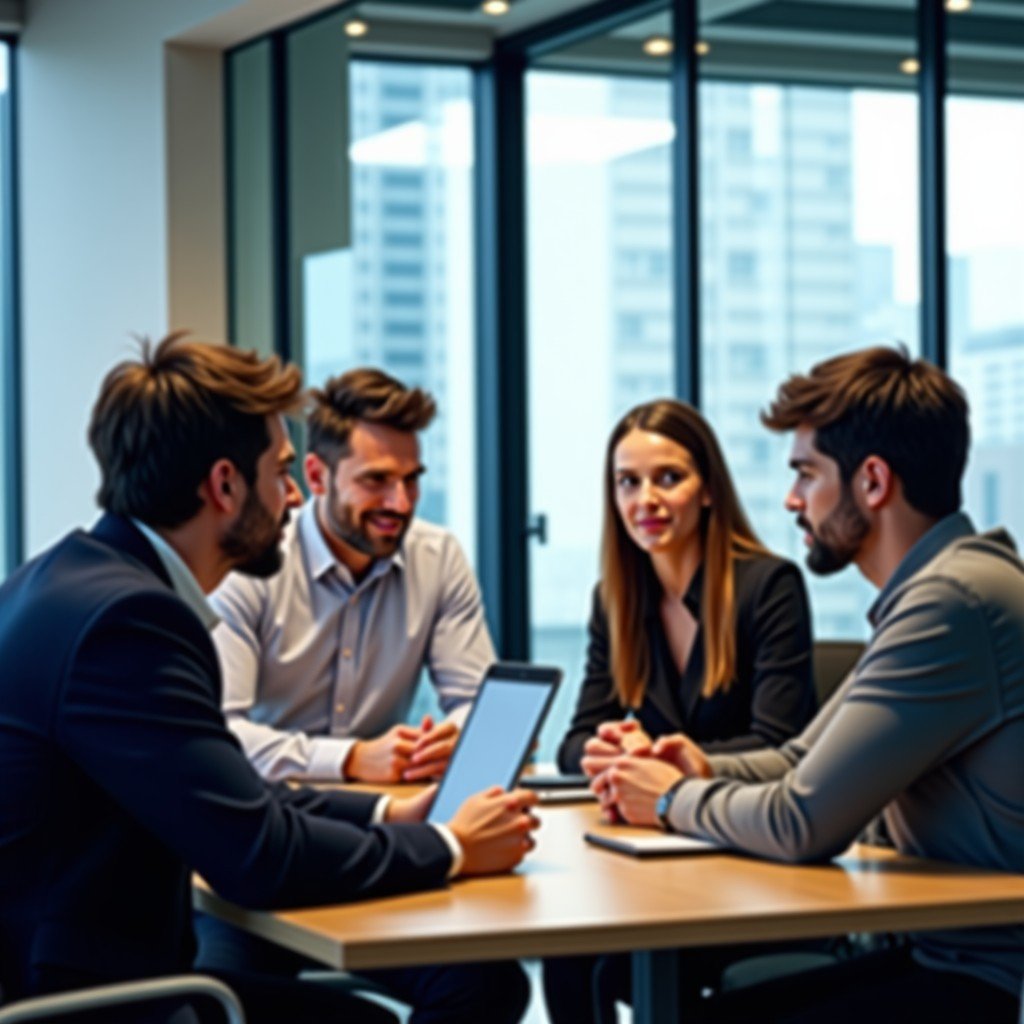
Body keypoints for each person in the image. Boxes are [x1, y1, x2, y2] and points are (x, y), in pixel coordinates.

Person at [0, 334, 537, 1024]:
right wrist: (451, 845)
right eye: (281, 472)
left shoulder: (63, 581)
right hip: (90, 1003)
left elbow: (231, 789)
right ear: (224, 485)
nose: (290, 498)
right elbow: (257, 856)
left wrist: (388, 811)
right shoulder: (130, 624)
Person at [592, 348, 1024, 1024]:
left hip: (984, 980)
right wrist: (700, 764)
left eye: (806, 474)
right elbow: (799, 761)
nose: (793, 500)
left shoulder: (954, 604)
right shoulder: (934, 592)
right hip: (931, 949)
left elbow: (802, 822)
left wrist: (674, 798)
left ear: (873, 482)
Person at [545, 398, 817, 1024]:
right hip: (649, 861)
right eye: (628, 482)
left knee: (613, 964)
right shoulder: (614, 599)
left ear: (709, 491)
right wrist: (608, 752)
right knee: (565, 950)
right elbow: (574, 741)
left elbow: (779, 744)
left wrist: (664, 767)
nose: (647, 499)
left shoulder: (767, 587)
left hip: (749, 861)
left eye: (669, 478)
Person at [211, 367, 494, 785]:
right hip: (269, 814)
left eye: (411, 480)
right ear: (316, 477)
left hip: (387, 810)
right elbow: (222, 733)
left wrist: (452, 739)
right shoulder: (250, 563)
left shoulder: (438, 558)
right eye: (375, 480)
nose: (399, 504)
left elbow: (480, 705)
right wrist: (350, 759)